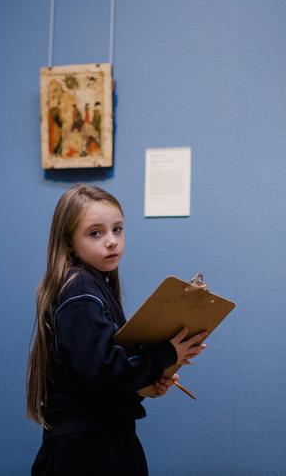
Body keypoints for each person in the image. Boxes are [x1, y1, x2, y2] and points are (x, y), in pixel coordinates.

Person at [27, 184, 208, 476]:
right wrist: (164, 354)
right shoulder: (82, 288)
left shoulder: (92, 286)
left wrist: (143, 386)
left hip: (97, 442)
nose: (111, 241)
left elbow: (95, 382)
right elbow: (102, 370)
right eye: (95, 233)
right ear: (69, 242)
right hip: (89, 452)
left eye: (118, 229)